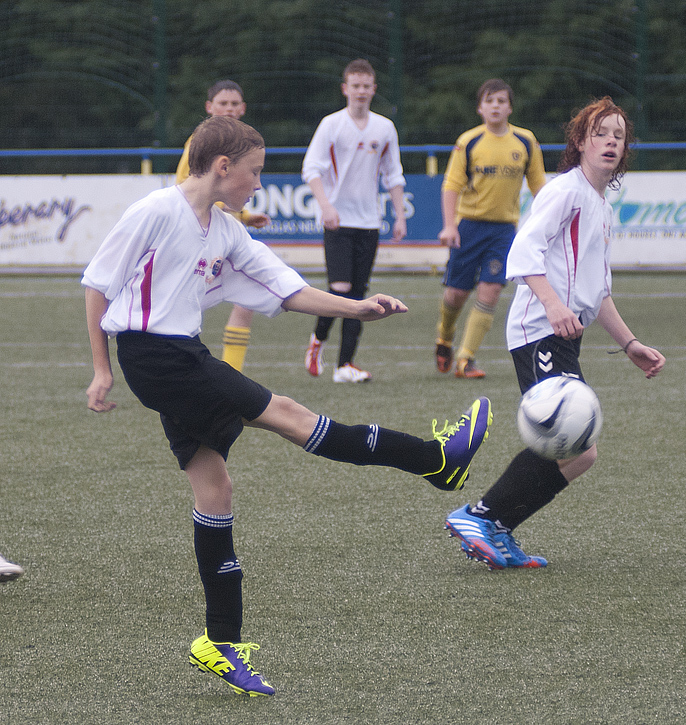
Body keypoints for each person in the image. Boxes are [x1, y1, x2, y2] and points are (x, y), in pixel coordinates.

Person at [82, 115, 492, 696]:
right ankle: (435, 460)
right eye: (254, 172)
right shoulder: (155, 211)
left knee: (214, 489)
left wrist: (357, 309)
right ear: (222, 167)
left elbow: (288, 287)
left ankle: (218, 644)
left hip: (180, 356)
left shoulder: (224, 231)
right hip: (156, 358)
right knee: (293, 416)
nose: (257, 183)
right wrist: (101, 369)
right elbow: (98, 285)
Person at [444, 97, 665, 570]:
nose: (609, 141)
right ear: (581, 142)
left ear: (625, 150)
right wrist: (552, 304)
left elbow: (598, 292)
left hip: (563, 332)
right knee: (572, 442)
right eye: (600, 133)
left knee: (581, 453)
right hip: (538, 330)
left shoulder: (600, 207)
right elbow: (523, 252)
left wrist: (630, 344)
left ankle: (495, 526)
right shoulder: (565, 190)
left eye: (618, 135)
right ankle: (480, 516)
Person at [302, 59, 407, 383]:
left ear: (373, 89)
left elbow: (393, 174)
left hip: (369, 222)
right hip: (338, 222)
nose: (361, 91)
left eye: (366, 86)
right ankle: (318, 339)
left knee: (359, 294)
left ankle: (345, 365)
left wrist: (399, 215)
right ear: (345, 89)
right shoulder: (331, 124)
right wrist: (326, 207)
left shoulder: (384, 127)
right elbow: (311, 168)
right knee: (340, 288)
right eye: (355, 85)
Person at [435, 79, 547, 379]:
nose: (495, 106)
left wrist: (550, 221)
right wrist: (449, 225)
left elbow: (539, 186)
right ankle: (445, 336)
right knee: (456, 294)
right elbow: (451, 185)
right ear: (480, 108)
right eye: (490, 101)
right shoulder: (469, 141)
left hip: (504, 231)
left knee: (492, 289)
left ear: (509, 107)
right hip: (468, 227)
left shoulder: (525, 141)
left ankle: (465, 358)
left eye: (501, 101)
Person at [176, 80, 271, 372]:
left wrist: (243, 216)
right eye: (222, 104)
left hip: (225, 233)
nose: (229, 109)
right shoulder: (199, 143)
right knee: (185, 302)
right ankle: (181, 362)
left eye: (234, 104)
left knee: (248, 296)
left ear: (242, 109)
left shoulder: (243, 145)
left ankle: (232, 372)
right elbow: (186, 188)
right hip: (198, 234)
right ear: (209, 108)